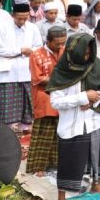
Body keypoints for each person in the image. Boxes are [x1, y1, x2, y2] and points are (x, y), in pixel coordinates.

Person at [48, 33, 100, 200]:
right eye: (83, 53)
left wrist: (95, 100)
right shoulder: (62, 71)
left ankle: (97, 186)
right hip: (72, 126)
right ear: (74, 51)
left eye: (89, 53)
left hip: (93, 121)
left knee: (97, 156)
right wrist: (83, 97)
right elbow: (56, 102)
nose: (86, 57)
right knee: (69, 163)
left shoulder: (95, 65)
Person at [0, 2, 42, 133]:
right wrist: (20, 51)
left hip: (27, 68)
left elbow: (38, 46)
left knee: (27, 98)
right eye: (19, 18)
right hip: (8, 69)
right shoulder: (2, 28)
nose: (22, 21)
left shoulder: (33, 28)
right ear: (12, 15)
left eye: (25, 18)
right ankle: (8, 129)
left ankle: (26, 125)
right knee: (8, 99)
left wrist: (30, 51)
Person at [26, 26, 67, 175]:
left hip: (63, 96)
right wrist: (61, 81)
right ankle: (39, 166)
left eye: (63, 43)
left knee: (60, 132)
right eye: (58, 43)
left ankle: (57, 163)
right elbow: (38, 79)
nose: (61, 46)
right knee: (43, 133)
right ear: (48, 41)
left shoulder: (65, 52)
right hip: (45, 97)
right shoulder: (36, 55)